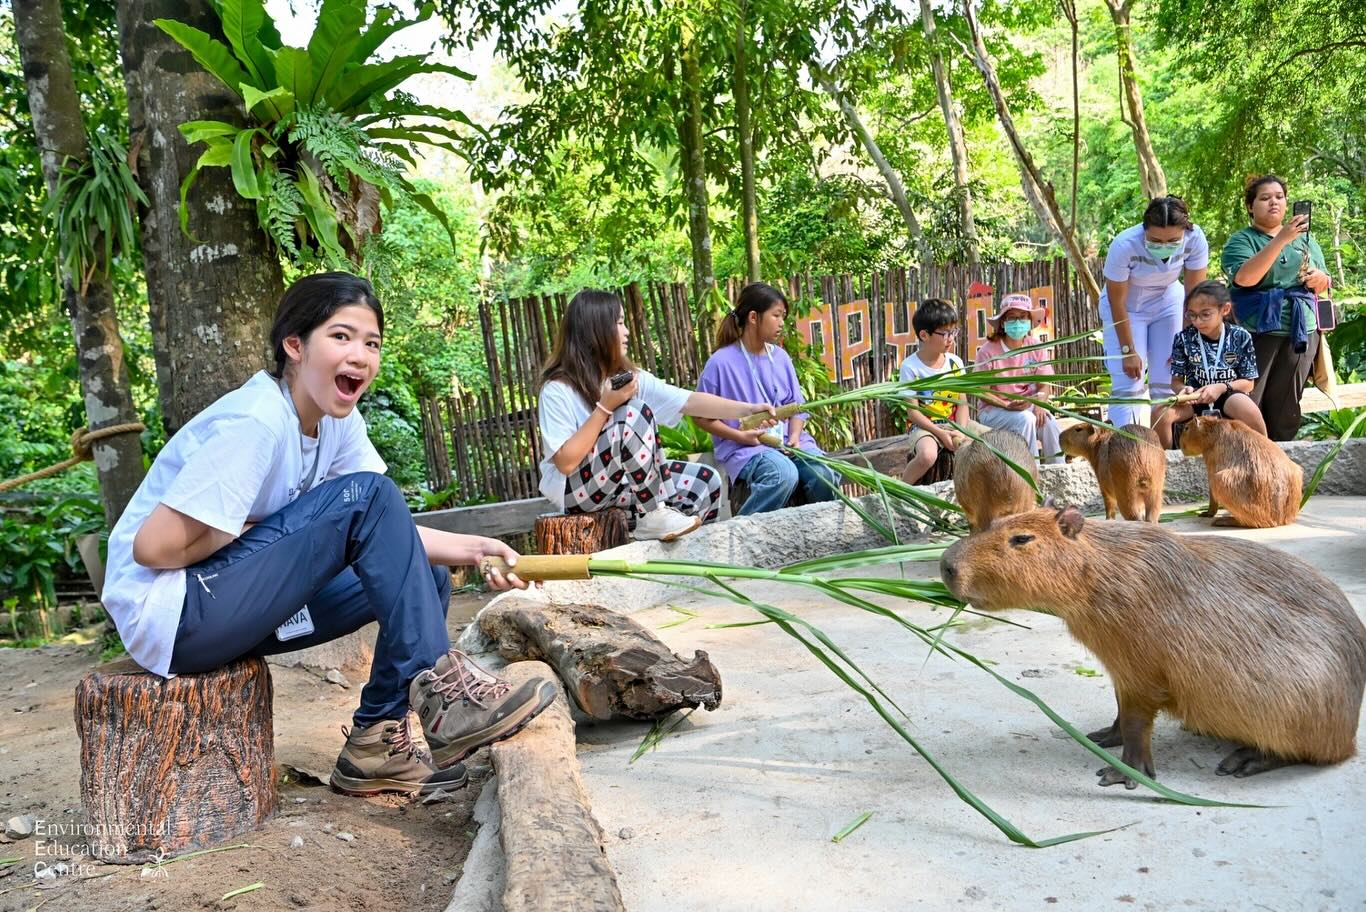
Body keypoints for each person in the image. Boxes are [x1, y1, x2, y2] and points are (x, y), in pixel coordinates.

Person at [101, 272, 556, 799]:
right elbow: (152, 548)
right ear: (294, 345)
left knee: (425, 574)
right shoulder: (256, 421)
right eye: (341, 336)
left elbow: (387, 532)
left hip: (237, 603)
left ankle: (375, 745)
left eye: (372, 343)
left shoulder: (337, 422)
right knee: (369, 494)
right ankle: (445, 698)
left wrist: (478, 550)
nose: (360, 355)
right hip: (176, 615)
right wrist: (264, 531)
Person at [537, 289, 775, 540]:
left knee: (705, 481)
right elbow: (565, 462)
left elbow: (689, 401)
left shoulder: (628, 379)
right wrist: (605, 408)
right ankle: (653, 514)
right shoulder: (557, 390)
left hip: (621, 488)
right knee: (632, 413)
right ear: (595, 330)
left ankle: (693, 561)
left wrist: (747, 409)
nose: (627, 331)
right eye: (619, 323)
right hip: (574, 494)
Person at [694, 283, 839, 514]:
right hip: (745, 448)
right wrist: (740, 436)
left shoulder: (780, 357)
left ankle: (818, 536)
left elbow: (798, 408)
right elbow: (700, 417)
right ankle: (742, 534)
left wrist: (793, 438)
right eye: (776, 315)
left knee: (825, 474)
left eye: (784, 317)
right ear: (754, 317)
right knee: (782, 475)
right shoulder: (719, 363)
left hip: (789, 442)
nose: (782, 323)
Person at [1221, 174, 1332, 440]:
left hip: (1301, 329)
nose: (1274, 203)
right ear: (1250, 206)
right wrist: (1281, 238)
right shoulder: (1242, 240)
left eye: (1279, 197)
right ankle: (1246, 462)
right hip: (1257, 329)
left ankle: (1282, 466)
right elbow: (1245, 278)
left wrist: (1321, 279)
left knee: (1287, 404)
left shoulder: (1307, 240)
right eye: (1265, 198)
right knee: (1249, 399)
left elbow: (1325, 280)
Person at [1098, 196, 1210, 427]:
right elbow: (1117, 301)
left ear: (1185, 231)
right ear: (1144, 229)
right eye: (1155, 240)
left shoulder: (1195, 239)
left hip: (1169, 302)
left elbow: (1194, 296)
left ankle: (1165, 449)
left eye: (1172, 240)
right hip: (1126, 308)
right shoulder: (1124, 245)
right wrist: (1128, 350)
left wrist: (1184, 344)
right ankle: (1125, 445)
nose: (1163, 246)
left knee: (1167, 381)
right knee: (1128, 381)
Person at [1153, 280, 1265, 449]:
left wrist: (1221, 387)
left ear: (1224, 310)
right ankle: (1167, 465)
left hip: (1229, 395)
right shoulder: (1183, 339)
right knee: (1160, 414)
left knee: (1249, 410)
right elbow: (1175, 381)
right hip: (1195, 399)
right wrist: (1183, 390)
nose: (1197, 321)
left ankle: (1266, 455)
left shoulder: (1240, 336)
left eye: (1205, 314)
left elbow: (1248, 383)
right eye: (1192, 315)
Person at [971, 294, 1063, 463]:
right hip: (994, 411)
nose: (1018, 322)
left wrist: (1039, 405)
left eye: (1022, 317)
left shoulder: (1035, 346)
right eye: (1012, 318)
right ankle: (1031, 477)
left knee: (1048, 422)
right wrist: (1007, 405)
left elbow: (1044, 385)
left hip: (1028, 407)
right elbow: (981, 393)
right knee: (1026, 420)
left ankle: (1059, 473)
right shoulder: (988, 352)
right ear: (1003, 323)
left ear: (1029, 321)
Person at [897, 298, 970, 484]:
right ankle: (899, 491)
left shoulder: (955, 362)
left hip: (956, 424)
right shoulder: (910, 366)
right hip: (924, 427)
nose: (951, 338)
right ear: (924, 335)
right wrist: (940, 433)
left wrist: (960, 431)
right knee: (928, 456)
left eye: (953, 332)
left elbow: (962, 404)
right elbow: (913, 413)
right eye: (945, 333)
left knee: (993, 443)